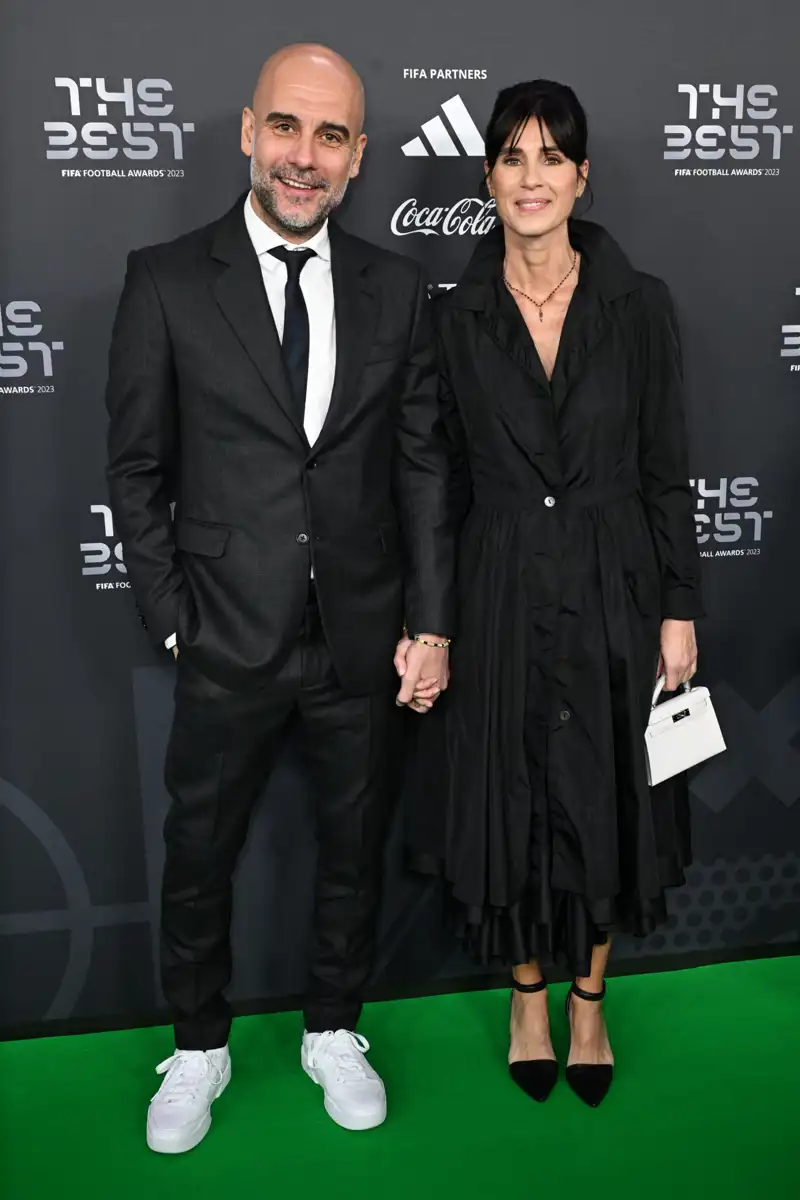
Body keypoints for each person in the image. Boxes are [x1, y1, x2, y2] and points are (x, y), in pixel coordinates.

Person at [105, 43, 454, 1153]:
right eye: (289, 129)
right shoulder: (164, 279)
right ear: (248, 133)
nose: (306, 156)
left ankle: (331, 1029)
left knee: (353, 847)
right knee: (199, 848)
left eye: (332, 136)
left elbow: (418, 469)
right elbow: (134, 471)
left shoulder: (396, 289)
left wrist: (429, 620)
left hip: (361, 633)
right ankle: (197, 1044)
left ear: (356, 159)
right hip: (223, 633)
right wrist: (174, 617)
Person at [407, 79, 702, 1108]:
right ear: (487, 176)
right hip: (495, 585)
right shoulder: (451, 319)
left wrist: (677, 606)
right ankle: (524, 993)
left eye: (551, 157)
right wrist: (432, 622)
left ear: (582, 176)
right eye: (511, 157)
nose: (530, 178)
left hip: (616, 582)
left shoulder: (638, 304)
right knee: (512, 790)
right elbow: (433, 481)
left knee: (606, 792)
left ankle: (588, 999)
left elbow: (666, 467)